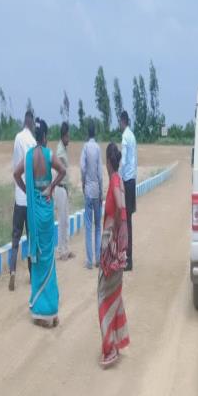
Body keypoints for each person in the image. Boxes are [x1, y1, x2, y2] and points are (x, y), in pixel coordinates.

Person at [13, 119, 66, 328]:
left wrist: (28, 191)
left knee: (37, 259)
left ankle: (38, 311)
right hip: (46, 210)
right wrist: (51, 187)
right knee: (48, 258)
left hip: (34, 211)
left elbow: (16, 174)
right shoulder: (48, 155)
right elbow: (62, 171)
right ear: (45, 136)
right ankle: (51, 311)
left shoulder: (28, 157)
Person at [97, 142, 130, 367]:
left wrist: (113, 232)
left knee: (103, 295)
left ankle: (110, 349)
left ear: (108, 162)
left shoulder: (115, 180)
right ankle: (115, 342)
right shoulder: (119, 180)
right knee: (114, 294)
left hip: (112, 247)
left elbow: (119, 206)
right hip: (117, 246)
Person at [9, 109, 36, 291]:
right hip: (30, 198)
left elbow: (15, 166)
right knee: (31, 237)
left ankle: (12, 271)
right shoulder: (33, 142)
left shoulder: (17, 138)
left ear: (23, 121)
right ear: (31, 123)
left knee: (15, 237)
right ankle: (32, 274)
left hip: (19, 197)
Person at [80, 122, 103, 270]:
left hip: (88, 190)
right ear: (95, 133)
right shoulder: (98, 148)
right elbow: (100, 173)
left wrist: (83, 182)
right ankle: (98, 259)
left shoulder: (85, 147)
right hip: (96, 190)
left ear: (88, 133)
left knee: (88, 226)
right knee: (98, 226)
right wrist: (101, 192)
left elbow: (82, 168)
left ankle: (89, 261)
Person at [119, 110, 138, 271]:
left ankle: (127, 258)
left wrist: (117, 177)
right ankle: (128, 258)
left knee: (126, 222)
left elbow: (124, 160)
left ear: (122, 121)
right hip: (132, 180)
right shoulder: (132, 135)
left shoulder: (125, 137)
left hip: (126, 181)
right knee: (129, 221)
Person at [55, 121, 75, 261]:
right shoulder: (60, 152)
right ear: (63, 136)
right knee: (61, 221)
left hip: (64, 188)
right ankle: (61, 251)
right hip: (60, 188)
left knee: (66, 220)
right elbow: (59, 172)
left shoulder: (63, 149)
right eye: (68, 136)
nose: (69, 139)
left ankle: (66, 249)